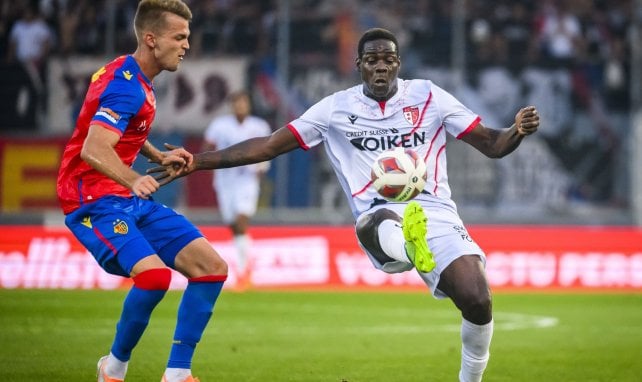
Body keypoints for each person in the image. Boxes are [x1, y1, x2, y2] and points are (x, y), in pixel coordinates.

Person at [152, 27, 539, 382]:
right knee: (379, 220)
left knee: (478, 299)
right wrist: (198, 161)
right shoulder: (335, 109)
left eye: (388, 58)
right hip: (377, 215)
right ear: (360, 66)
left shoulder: (429, 96)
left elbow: (491, 142)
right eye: (372, 60)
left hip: (435, 212)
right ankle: (408, 246)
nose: (381, 66)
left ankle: (468, 378)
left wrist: (516, 131)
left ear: (398, 63)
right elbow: (269, 145)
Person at [56, 1, 228, 381]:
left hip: (125, 199)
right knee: (153, 278)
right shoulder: (126, 88)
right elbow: (93, 148)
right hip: (93, 200)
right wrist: (133, 178)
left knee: (211, 268)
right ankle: (113, 369)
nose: (186, 45)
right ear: (151, 39)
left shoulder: (129, 73)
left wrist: (155, 155)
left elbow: (125, 130)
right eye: (179, 37)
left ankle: (178, 375)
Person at [203, 90, 271, 290]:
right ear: (232, 106)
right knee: (233, 225)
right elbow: (208, 144)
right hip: (225, 182)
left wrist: (262, 168)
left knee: (241, 221)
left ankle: (244, 271)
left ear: (248, 105)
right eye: (237, 103)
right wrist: (209, 166)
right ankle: (244, 261)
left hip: (247, 181)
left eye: (244, 103)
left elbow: (268, 148)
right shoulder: (220, 126)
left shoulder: (259, 126)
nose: (240, 107)